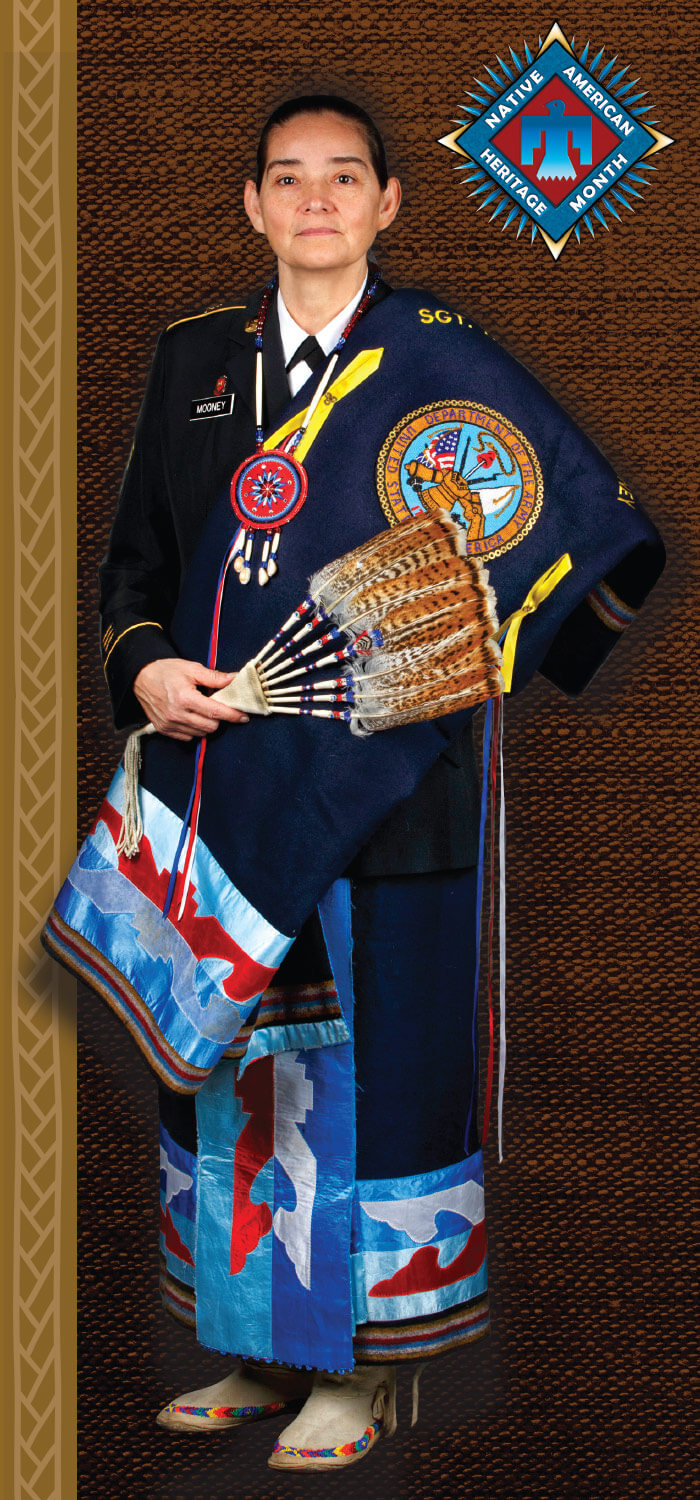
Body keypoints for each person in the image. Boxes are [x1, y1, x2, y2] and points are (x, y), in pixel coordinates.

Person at [45, 94, 663, 1474]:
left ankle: (367, 1375)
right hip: (222, 786)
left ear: (389, 205)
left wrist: (500, 637)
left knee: (380, 1072)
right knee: (241, 1072)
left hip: (395, 785)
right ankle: (263, 1352)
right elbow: (132, 574)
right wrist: (145, 669)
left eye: (344, 179)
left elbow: (571, 527)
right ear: (251, 206)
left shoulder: (449, 368)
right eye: (287, 178)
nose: (315, 200)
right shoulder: (194, 363)